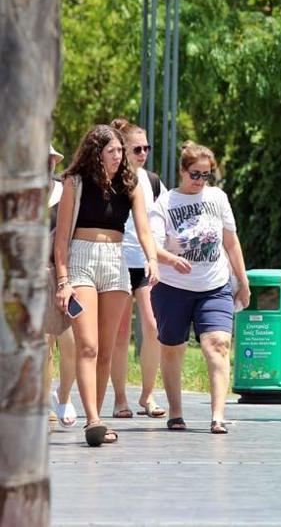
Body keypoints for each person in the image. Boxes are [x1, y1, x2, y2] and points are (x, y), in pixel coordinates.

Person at [54, 125, 161, 447]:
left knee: (106, 346)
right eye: (112, 151)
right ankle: (93, 420)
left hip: (115, 262)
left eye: (120, 151)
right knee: (87, 345)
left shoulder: (130, 184)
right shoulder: (74, 182)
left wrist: (152, 258)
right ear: (96, 153)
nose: (119, 156)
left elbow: (143, 229)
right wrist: (62, 281)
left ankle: (97, 417)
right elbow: (61, 240)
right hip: (81, 260)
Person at [149, 142, 250, 434]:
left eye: (206, 175)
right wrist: (172, 259)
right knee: (172, 349)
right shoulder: (165, 204)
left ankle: (218, 415)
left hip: (214, 285)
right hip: (172, 287)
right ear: (182, 171)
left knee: (218, 344)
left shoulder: (218, 198)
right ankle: (176, 412)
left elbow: (231, 242)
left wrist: (242, 282)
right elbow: (152, 246)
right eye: (195, 174)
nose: (200, 181)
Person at [108, 118, 166, 419]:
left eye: (147, 148)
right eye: (137, 148)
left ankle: (147, 394)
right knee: (120, 334)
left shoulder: (152, 181)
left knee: (153, 327)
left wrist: (163, 256)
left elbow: (165, 218)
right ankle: (119, 399)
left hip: (144, 262)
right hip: (116, 262)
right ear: (122, 150)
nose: (143, 153)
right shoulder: (111, 179)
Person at [44, 144, 77, 428]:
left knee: (71, 342)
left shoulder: (64, 191)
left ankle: (63, 396)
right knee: (43, 343)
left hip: (62, 273)